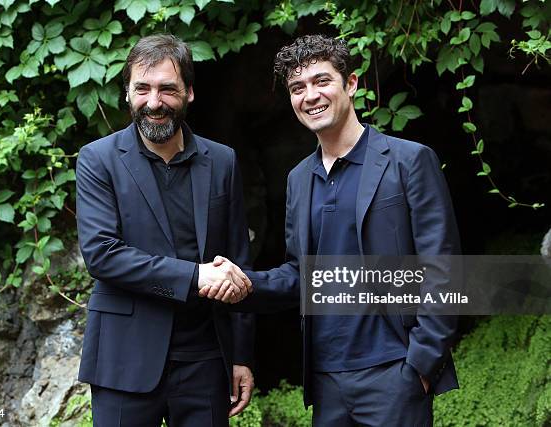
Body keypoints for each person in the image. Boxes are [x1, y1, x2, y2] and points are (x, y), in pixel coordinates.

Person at [205, 34, 461, 426]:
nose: (310, 96)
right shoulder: (298, 179)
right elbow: (298, 276)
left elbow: (443, 269)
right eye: (297, 88)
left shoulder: (409, 161)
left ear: (352, 83)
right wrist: (245, 284)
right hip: (326, 381)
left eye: (322, 81)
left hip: (395, 373)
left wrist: (421, 367)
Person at [75, 34, 255, 427]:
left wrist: (241, 355)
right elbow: (103, 254)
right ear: (128, 93)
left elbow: (238, 262)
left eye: (167, 89)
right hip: (124, 359)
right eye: (142, 88)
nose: (153, 102)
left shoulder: (222, 161)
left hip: (207, 360)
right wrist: (195, 276)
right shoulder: (97, 160)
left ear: (189, 93)